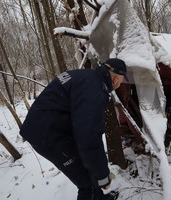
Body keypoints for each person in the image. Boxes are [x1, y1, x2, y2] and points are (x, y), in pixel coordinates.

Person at [20, 58, 128, 200]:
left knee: (88, 172)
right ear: (115, 79)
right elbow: (89, 137)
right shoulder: (94, 90)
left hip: (49, 129)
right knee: (87, 183)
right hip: (48, 137)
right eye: (120, 81)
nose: (119, 85)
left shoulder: (84, 76)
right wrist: (102, 175)